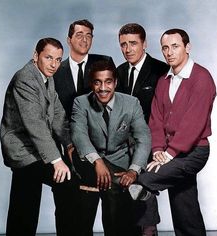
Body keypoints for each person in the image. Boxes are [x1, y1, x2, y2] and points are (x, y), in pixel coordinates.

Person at [133, 28, 216, 236]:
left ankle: (148, 231)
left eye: (175, 46)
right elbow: (156, 120)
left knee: (144, 180)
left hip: (194, 152)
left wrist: (167, 155)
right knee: (184, 205)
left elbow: (193, 124)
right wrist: (159, 149)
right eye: (165, 48)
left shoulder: (201, 78)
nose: (169, 52)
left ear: (187, 47)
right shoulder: (164, 81)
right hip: (170, 151)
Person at [0, 38, 80, 236]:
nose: (54, 64)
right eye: (48, 57)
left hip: (36, 150)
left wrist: (69, 145)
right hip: (23, 150)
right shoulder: (25, 78)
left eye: (58, 59)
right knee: (56, 187)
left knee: (26, 204)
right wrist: (56, 160)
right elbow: (35, 124)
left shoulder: (46, 77)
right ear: (36, 56)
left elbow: (58, 116)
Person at [70, 59, 151, 236]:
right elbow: (79, 135)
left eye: (108, 82)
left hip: (120, 163)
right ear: (92, 84)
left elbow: (143, 138)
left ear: (115, 82)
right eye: (97, 82)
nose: (103, 88)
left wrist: (133, 171)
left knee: (118, 210)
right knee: (109, 191)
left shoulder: (131, 103)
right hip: (89, 162)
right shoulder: (81, 103)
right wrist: (97, 161)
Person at [53, 19, 114, 236]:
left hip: (100, 147)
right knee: (66, 207)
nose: (84, 39)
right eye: (79, 34)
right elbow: (52, 113)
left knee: (103, 207)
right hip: (65, 147)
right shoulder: (55, 70)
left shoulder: (104, 63)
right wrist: (66, 145)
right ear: (68, 39)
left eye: (88, 34)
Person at [117, 23, 169, 235]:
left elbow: (167, 111)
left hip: (151, 145)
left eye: (133, 43)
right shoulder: (118, 72)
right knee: (125, 198)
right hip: (122, 146)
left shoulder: (161, 71)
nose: (128, 49)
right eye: (123, 44)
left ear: (144, 44)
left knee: (144, 193)